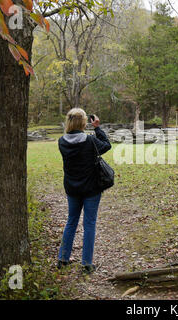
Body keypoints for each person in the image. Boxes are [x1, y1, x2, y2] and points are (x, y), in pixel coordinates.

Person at [57, 108, 111, 274]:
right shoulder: (90, 141)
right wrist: (97, 128)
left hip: (72, 188)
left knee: (71, 221)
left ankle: (63, 259)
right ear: (83, 123)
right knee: (89, 224)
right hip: (91, 188)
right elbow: (107, 145)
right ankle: (86, 263)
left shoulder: (61, 141)